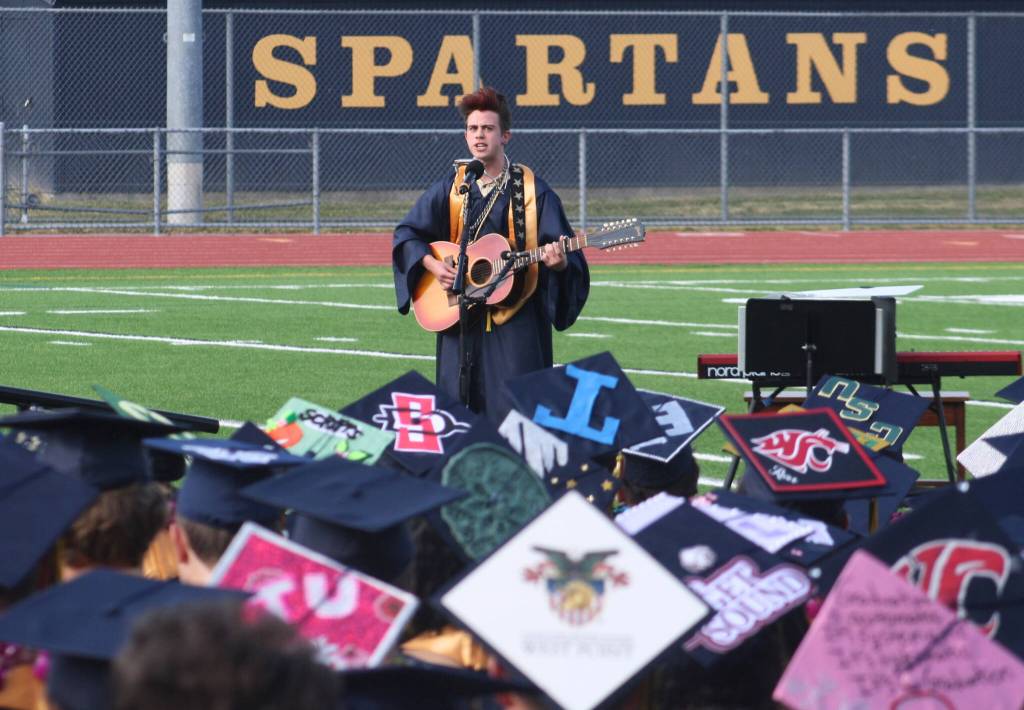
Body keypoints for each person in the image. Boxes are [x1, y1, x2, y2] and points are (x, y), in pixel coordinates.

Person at [392, 86, 590, 422]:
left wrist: (559, 266)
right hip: (461, 322)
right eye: (472, 129)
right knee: (457, 416)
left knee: (519, 414)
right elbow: (407, 234)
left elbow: (563, 251)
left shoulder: (533, 192)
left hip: (517, 322)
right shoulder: (454, 188)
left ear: (505, 136)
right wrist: (432, 265)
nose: (479, 136)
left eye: (487, 128)